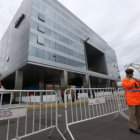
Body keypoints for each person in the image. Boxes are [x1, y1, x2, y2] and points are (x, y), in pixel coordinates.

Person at [122, 69, 140, 134]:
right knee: (132, 115)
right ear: (128, 74)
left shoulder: (135, 80)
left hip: (138, 100)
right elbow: (128, 86)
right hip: (131, 101)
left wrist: (138, 80)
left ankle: (139, 125)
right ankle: (132, 128)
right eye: (132, 74)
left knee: (138, 114)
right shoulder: (124, 80)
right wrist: (133, 80)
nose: (133, 75)